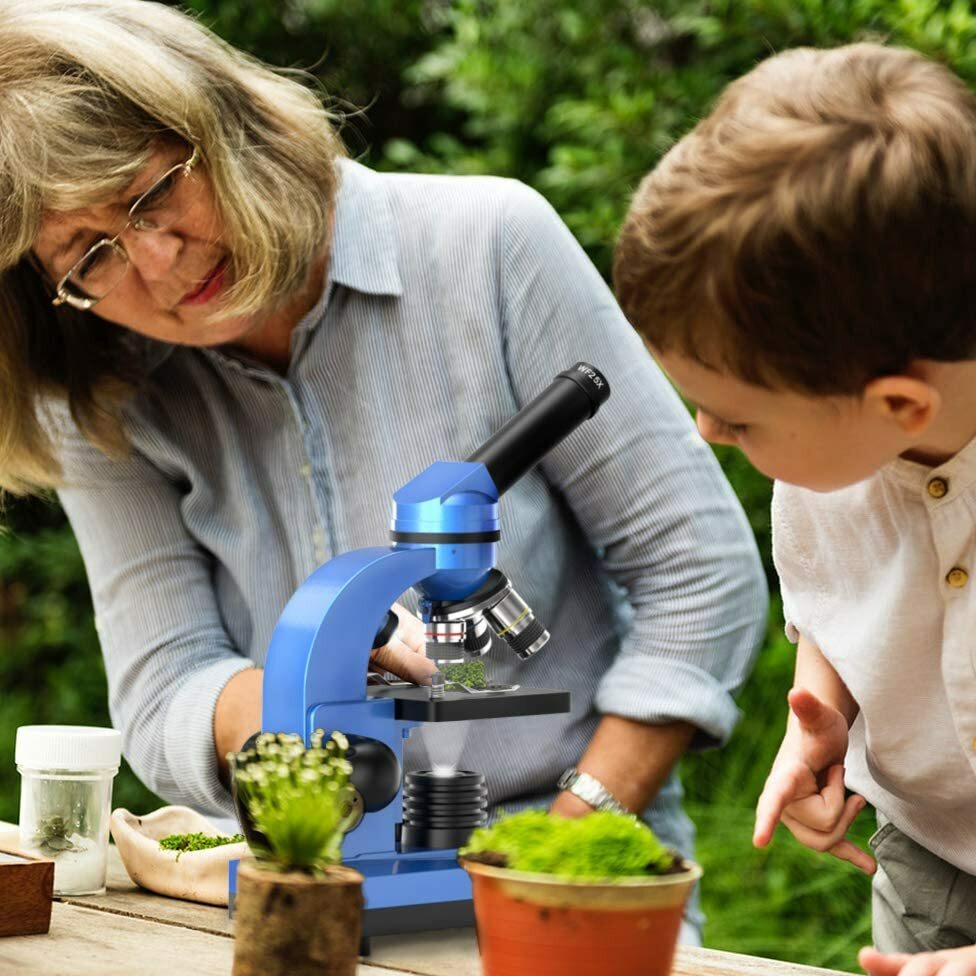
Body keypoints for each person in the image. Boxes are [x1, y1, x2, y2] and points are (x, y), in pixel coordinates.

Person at [0, 0, 767, 942]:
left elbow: (701, 572)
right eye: (90, 255)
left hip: (565, 868)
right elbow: (164, 689)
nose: (157, 260)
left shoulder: (487, 244)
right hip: (300, 881)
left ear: (218, 126)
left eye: (153, 192)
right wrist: (299, 702)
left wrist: (568, 843)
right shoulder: (98, 396)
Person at [613, 41, 976, 967]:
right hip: (937, 855)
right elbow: (844, 591)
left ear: (900, 405)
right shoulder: (831, 446)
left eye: (736, 415)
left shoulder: (845, 434)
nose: (707, 431)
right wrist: (824, 713)